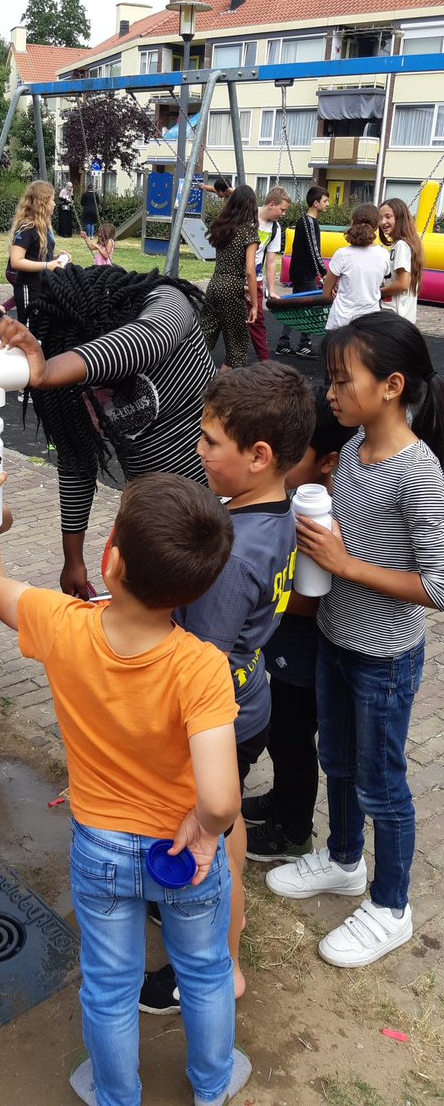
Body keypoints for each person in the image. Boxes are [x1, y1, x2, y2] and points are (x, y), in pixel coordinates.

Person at [0, 470, 252, 1106]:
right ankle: (212, 1084)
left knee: (109, 983)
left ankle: (116, 1093)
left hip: (99, 845)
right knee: (206, 971)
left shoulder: (62, 623)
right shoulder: (200, 666)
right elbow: (219, 800)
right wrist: (207, 830)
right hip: (181, 856)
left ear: (110, 558)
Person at [266, 313, 444, 968]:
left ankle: (390, 904)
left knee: (381, 783)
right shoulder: (356, 453)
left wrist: (345, 567)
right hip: (336, 641)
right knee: (335, 759)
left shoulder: (416, 471)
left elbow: (440, 583)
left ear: (392, 385)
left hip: (384, 658)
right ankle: (343, 858)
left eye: (343, 381)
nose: (331, 392)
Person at [140, 363, 315, 1006]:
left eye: (212, 441)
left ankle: (209, 968)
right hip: (251, 702)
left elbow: (197, 658)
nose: (199, 447)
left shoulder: (231, 555)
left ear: (259, 455)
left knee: (204, 842)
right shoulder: (273, 513)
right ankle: (226, 945)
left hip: (216, 720)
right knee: (230, 825)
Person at [0, 264, 217, 598]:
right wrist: (73, 559)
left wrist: (49, 370)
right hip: (158, 525)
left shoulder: (167, 301)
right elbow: (76, 459)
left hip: (221, 513)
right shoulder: (71, 370)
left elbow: (150, 338)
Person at [244, 389, 357, 861]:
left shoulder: (321, 517)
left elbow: (312, 598)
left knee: (291, 738)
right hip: (287, 645)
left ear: (328, 461)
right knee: (282, 734)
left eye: (295, 454)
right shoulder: (302, 496)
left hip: (304, 652)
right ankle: (281, 803)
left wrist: (263, 595)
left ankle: (293, 832)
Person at [200, 183, 259, 366]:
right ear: (251, 206)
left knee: (204, 339)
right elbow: (250, 271)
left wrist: (231, 194)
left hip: (215, 284)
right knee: (237, 348)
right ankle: (217, 390)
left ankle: (181, 377)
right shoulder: (249, 233)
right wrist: (255, 305)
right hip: (232, 288)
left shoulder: (222, 228)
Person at [5, 181, 70, 324]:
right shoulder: (28, 227)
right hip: (29, 288)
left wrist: (57, 258)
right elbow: (16, 261)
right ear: (43, 202)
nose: (54, 203)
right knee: (29, 333)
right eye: (52, 199)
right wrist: (47, 265)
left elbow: (37, 256)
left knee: (42, 333)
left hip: (44, 286)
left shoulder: (44, 227)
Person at [276, 185, 329, 358]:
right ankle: (304, 344)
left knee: (295, 307)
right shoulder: (309, 223)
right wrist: (324, 272)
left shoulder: (304, 222)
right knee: (311, 308)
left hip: (299, 272)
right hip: (305, 274)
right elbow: (314, 251)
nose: (327, 204)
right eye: (325, 201)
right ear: (315, 203)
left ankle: (283, 343)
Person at [323, 204, 391, 330]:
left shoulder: (342, 254)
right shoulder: (384, 255)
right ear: (377, 226)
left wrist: (333, 292)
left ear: (352, 223)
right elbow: (381, 280)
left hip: (341, 319)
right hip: (369, 319)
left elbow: (327, 291)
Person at [250, 187, 291, 362]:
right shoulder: (248, 217)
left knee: (257, 319)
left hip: (256, 278)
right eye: (282, 210)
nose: (283, 214)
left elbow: (272, 260)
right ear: (272, 204)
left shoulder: (275, 227)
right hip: (237, 276)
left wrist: (271, 289)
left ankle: (264, 362)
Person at [378, 198, 423, 324]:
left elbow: (402, 284)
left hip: (395, 314)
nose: (383, 222)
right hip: (399, 315)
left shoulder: (401, 246)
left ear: (400, 218)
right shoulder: (402, 244)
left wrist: (376, 292)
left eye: (388, 217)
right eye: (380, 218)